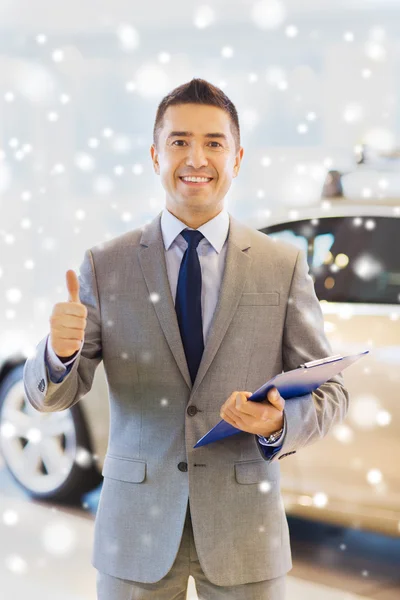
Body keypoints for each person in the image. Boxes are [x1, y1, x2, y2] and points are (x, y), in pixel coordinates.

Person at [23, 78, 349, 600]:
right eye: (179, 141)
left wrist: (278, 422)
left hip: (247, 535)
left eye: (213, 143)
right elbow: (51, 395)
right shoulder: (105, 266)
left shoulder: (281, 265)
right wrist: (58, 354)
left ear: (237, 158)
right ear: (155, 155)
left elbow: (331, 392)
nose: (196, 157)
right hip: (135, 533)